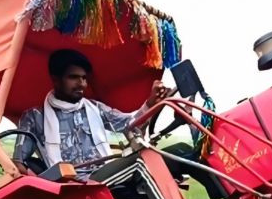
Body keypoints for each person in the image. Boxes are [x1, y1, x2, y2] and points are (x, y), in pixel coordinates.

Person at [13, 49, 170, 177]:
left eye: (84, 78)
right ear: (56, 80)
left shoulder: (95, 108)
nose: (81, 84)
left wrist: (150, 104)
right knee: (143, 167)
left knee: (166, 157)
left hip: (104, 175)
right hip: (68, 184)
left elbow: (130, 124)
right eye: (73, 77)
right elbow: (18, 163)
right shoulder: (34, 117)